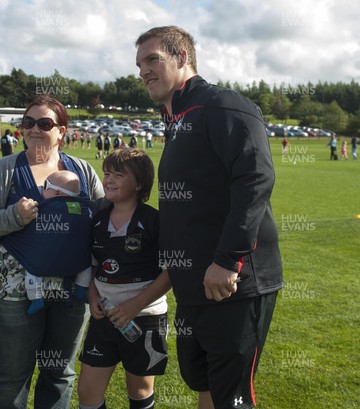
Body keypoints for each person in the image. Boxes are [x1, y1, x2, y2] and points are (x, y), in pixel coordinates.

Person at [136, 26, 283, 409]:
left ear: (182, 58)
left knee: (231, 397)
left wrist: (227, 259)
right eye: (139, 64)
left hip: (232, 283)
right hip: (194, 283)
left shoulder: (221, 106)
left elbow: (255, 178)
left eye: (152, 59)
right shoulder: (178, 117)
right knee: (204, 384)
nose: (143, 71)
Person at [0, 95, 104, 409]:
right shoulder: (6, 169)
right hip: (15, 289)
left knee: (59, 372)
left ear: (62, 131)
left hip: (72, 289)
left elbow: (102, 217)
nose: (33, 129)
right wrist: (14, 216)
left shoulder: (81, 170)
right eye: (27, 122)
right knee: (12, 374)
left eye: (44, 123)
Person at [77, 148, 171, 409]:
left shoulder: (155, 221)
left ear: (139, 183)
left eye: (119, 174)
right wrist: (92, 295)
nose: (109, 179)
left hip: (145, 319)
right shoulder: (97, 221)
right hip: (105, 319)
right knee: (87, 392)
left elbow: (171, 273)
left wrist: (134, 306)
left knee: (140, 390)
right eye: (107, 173)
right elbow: (94, 268)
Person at [24, 170, 92, 315]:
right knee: (87, 263)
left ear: (58, 194)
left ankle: (36, 298)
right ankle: (81, 288)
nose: (41, 189)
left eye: (46, 185)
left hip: (47, 257)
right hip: (76, 257)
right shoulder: (83, 207)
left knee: (31, 267)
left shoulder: (46, 208)